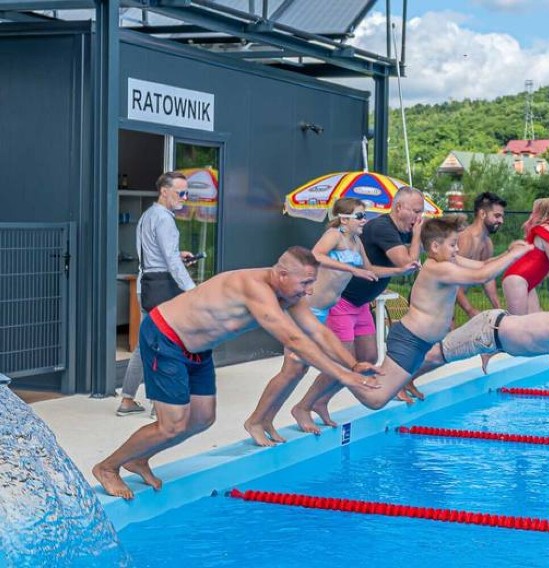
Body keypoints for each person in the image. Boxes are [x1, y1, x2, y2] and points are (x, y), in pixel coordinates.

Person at [92, 247, 381, 499]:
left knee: (203, 419)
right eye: (305, 282)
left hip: (197, 350)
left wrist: (352, 364)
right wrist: (344, 377)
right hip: (165, 338)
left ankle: (139, 458)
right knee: (173, 424)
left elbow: (316, 330)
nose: (308, 290)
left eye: (311, 283)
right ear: (281, 274)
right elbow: (295, 341)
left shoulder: (289, 293)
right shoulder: (255, 288)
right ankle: (107, 466)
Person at [243, 198, 418, 445]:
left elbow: (372, 270)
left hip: (325, 311)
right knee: (292, 370)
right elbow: (315, 255)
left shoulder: (356, 242)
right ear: (344, 219)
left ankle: (268, 419)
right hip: (308, 310)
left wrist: (400, 271)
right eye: (359, 216)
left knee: (304, 369)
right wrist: (352, 270)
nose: (363, 221)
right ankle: (256, 421)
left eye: (364, 216)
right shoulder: (334, 234)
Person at [323, 214, 533, 410]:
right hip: (409, 340)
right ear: (434, 246)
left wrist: (508, 253)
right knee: (375, 400)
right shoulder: (438, 268)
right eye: (452, 245)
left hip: (420, 343)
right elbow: (480, 276)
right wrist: (513, 255)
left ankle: (328, 387)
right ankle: (339, 370)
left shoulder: (449, 261)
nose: (457, 250)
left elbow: (483, 265)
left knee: (380, 392)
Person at [289, 187, 425, 432]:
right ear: (399, 208)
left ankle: (321, 400)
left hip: (360, 304)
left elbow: (374, 268)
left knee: (368, 358)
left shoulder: (367, 237)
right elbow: (408, 262)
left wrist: (396, 271)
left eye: (421, 212)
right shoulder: (382, 229)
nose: (419, 217)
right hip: (341, 303)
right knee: (344, 363)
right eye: (416, 211)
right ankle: (303, 406)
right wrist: (416, 237)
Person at [399, 191, 507, 402]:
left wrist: (498, 307)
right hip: (434, 299)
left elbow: (487, 276)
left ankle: (407, 380)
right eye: (497, 215)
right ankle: (400, 381)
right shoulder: (465, 241)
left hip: (446, 300)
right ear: (483, 214)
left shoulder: (486, 243)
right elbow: (457, 276)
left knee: (442, 353)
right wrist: (468, 310)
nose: (500, 220)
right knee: (437, 351)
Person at [117, 172, 196, 416]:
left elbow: (156, 255)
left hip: (147, 286)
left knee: (145, 345)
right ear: (164, 191)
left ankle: (127, 400)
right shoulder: (164, 219)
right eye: (180, 192)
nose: (185, 197)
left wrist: (177, 256)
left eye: (187, 192)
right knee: (168, 343)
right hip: (163, 288)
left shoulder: (147, 216)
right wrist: (192, 290)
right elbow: (171, 262)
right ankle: (160, 405)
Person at [493, 197, 549, 370]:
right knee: (516, 327)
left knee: (539, 322)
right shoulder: (543, 230)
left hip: (527, 283)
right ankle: (488, 348)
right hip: (517, 279)